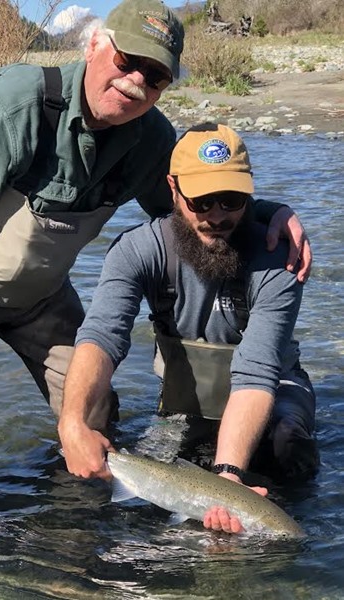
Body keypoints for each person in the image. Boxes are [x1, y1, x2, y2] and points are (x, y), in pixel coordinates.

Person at [0, 0, 310, 456]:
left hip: (41, 298)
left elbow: (191, 209)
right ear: (94, 45)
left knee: (95, 417)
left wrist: (269, 212)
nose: (136, 82)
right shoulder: (13, 107)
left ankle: (73, 516)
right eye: (128, 62)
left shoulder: (150, 139)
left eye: (155, 77)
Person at [58, 123, 319, 534]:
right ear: (173, 190)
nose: (217, 215)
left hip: (273, 391)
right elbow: (102, 337)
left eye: (231, 200)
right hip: (187, 400)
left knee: (290, 454)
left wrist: (228, 475)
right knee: (119, 504)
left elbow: (257, 370)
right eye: (201, 201)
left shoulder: (280, 260)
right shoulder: (137, 250)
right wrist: (72, 424)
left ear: (248, 193)